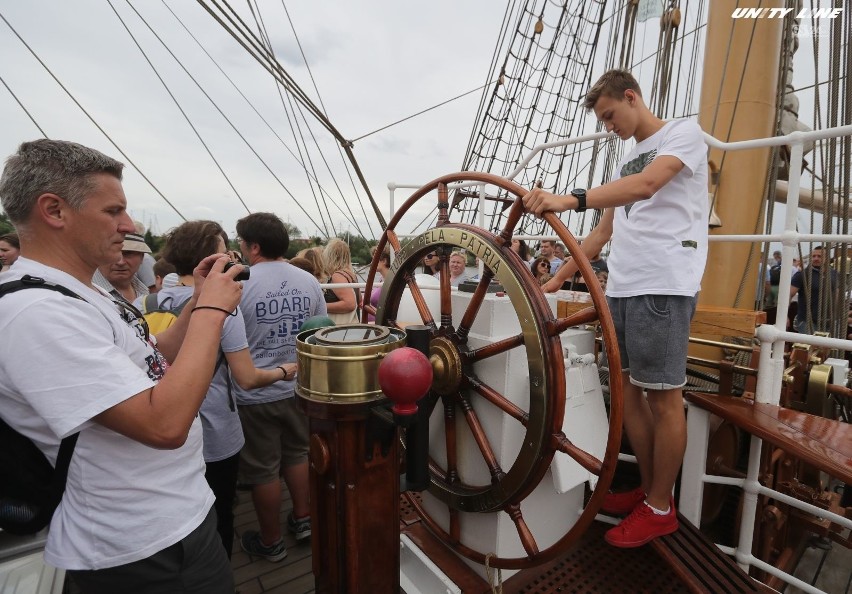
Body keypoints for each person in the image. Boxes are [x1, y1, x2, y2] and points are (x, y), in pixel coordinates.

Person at [0, 139, 243, 592]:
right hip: (142, 547)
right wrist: (214, 313)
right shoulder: (36, 312)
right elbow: (164, 425)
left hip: (174, 516)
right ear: (54, 210)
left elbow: (157, 356)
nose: (128, 225)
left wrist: (196, 302)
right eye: (114, 211)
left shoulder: (86, 289)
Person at [523, 69, 708, 548]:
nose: (609, 126)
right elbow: (605, 232)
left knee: (664, 397)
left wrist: (570, 198)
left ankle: (661, 508)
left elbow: (648, 186)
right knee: (627, 392)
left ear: (632, 97)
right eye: (602, 120)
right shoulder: (628, 156)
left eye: (610, 115)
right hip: (622, 289)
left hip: (663, 283)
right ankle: (649, 491)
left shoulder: (682, 134)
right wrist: (557, 278)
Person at [150, 220, 294, 559]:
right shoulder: (225, 310)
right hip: (216, 430)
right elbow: (246, 377)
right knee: (220, 512)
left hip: (165, 425)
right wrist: (286, 370)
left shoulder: (148, 302)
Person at [234, 212, 326, 562]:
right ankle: (304, 519)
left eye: (242, 242)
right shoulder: (308, 281)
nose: (240, 248)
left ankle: (271, 541)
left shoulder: (239, 283)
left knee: (262, 469)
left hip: (255, 391)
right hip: (298, 387)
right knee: (297, 453)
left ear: (254, 246)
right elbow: (319, 331)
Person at [790, 245, 838, 334]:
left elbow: (837, 296)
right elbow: (788, 295)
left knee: (828, 347)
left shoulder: (834, 274)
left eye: (819, 256)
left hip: (829, 321)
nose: (816, 258)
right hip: (807, 322)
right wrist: (784, 317)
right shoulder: (802, 275)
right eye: (813, 256)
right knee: (808, 347)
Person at [92, 232, 151, 303]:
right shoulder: (83, 293)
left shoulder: (146, 294)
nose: (120, 262)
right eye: (112, 252)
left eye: (128, 253)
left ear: (142, 257)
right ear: (97, 256)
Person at [323, 238, 360, 325]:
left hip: (340, 330)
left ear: (330, 256)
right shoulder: (351, 275)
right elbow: (359, 299)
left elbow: (350, 304)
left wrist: (321, 306)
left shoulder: (338, 276)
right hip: (351, 328)